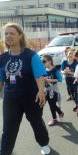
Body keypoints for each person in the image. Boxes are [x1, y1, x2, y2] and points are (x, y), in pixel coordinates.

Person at [0, 23, 50, 155]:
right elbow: (1, 79)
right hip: (11, 98)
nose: (8, 36)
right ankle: (5, 152)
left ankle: (44, 144)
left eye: (12, 33)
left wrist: (40, 91)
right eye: (6, 34)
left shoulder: (31, 55)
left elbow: (39, 76)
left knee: (36, 122)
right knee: (8, 127)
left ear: (20, 35)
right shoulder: (2, 58)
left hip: (31, 97)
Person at [43, 55, 64, 126]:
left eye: (44, 61)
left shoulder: (55, 70)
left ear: (50, 61)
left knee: (52, 105)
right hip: (46, 90)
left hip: (54, 90)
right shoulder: (43, 70)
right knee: (51, 104)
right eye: (42, 61)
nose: (43, 63)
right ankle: (60, 113)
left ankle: (54, 119)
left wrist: (50, 80)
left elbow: (60, 79)